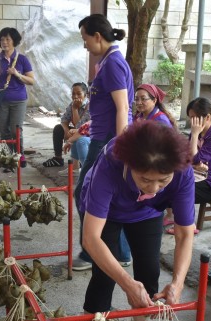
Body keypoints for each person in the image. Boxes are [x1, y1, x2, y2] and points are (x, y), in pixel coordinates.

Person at [80, 120, 195, 315]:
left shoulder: (182, 171)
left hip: (147, 212)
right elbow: (91, 238)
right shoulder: (110, 162)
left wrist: (178, 283)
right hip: (107, 211)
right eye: (145, 179)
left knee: (149, 271)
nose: (153, 188)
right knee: (105, 274)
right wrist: (126, 283)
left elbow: (184, 234)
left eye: (163, 180)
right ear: (129, 165)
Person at [73, 14, 133, 271]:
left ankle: (93, 252)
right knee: (101, 196)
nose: (84, 44)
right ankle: (117, 251)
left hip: (108, 140)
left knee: (85, 193)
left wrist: (119, 146)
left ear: (97, 36)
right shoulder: (107, 62)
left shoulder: (113, 64)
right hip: (101, 136)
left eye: (85, 38)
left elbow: (122, 108)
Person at [165, 98, 211, 236]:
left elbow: (193, 158)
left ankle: (188, 225)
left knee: (180, 191)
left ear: (208, 117)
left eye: (195, 118)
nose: (192, 122)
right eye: (191, 118)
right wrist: (195, 162)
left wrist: (195, 135)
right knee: (167, 180)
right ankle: (173, 217)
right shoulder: (200, 133)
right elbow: (187, 156)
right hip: (199, 175)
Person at [0, 27, 35, 168]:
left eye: (7, 39)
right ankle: (7, 158)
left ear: (14, 41)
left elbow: (31, 81)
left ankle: (19, 155)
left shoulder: (22, 59)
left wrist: (17, 74)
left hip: (18, 100)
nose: (4, 42)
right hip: (1, 100)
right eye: (2, 39)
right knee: (3, 130)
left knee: (16, 129)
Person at [42, 82, 91, 176]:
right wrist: (66, 131)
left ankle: (78, 166)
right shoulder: (72, 104)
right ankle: (58, 158)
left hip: (87, 131)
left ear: (85, 94)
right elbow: (64, 120)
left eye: (79, 93)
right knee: (58, 128)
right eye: (73, 94)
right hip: (78, 130)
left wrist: (75, 109)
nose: (75, 96)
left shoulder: (89, 106)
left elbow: (79, 127)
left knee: (79, 138)